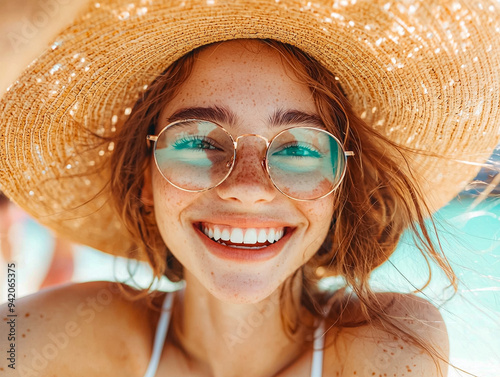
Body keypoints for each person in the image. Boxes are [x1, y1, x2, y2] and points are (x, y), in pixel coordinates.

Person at [0, 0, 499, 376]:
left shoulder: (389, 343)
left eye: (300, 150)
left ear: (342, 188)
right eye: (198, 140)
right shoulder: (61, 335)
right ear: (144, 181)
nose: (248, 188)